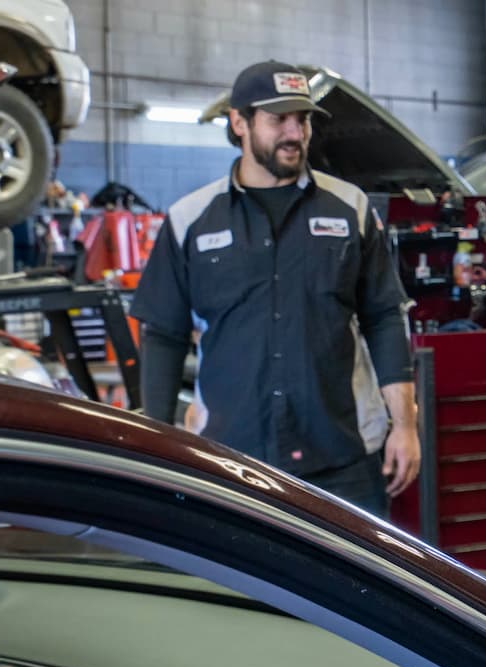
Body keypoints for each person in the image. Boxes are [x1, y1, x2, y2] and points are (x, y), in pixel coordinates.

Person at [131, 59, 420, 516]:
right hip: (228, 457)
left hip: (343, 457)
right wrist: (155, 440)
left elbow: (384, 317)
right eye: (278, 119)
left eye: (302, 119)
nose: (295, 133)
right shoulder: (190, 219)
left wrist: (404, 425)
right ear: (239, 122)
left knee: (353, 587)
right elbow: (163, 335)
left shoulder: (350, 209)